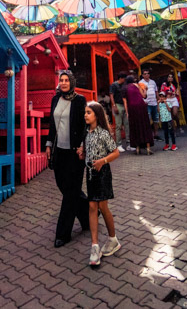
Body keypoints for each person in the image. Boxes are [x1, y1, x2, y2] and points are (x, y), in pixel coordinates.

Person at [46, 71, 89, 247]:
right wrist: (48, 144)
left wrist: (83, 145)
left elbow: (85, 125)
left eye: (66, 80)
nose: (63, 83)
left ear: (71, 82)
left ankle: (63, 234)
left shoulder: (79, 100)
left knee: (71, 192)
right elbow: (52, 124)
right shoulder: (55, 99)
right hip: (59, 151)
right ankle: (88, 214)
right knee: (63, 186)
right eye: (61, 80)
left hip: (75, 152)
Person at [82, 102, 121, 267]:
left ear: (96, 115)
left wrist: (102, 161)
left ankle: (113, 239)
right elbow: (88, 151)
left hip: (102, 173)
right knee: (92, 207)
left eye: (89, 112)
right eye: (85, 112)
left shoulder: (103, 133)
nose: (85, 115)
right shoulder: (87, 133)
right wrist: (82, 153)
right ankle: (95, 246)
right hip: (90, 173)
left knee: (103, 207)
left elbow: (115, 152)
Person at [123, 75, 154, 155]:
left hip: (132, 108)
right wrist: (146, 89)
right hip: (141, 107)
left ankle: (137, 148)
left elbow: (125, 102)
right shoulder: (137, 85)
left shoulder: (124, 88)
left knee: (135, 127)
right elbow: (143, 96)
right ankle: (148, 148)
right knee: (144, 126)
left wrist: (127, 113)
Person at [109, 72, 133, 153]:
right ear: (121, 78)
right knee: (118, 125)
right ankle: (118, 144)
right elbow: (111, 95)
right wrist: (114, 105)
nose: (125, 80)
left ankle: (129, 143)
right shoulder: (114, 85)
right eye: (124, 78)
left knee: (127, 124)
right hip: (118, 104)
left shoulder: (124, 85)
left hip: (125, 105)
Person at [139, 68, 161, 140]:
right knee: (147, 119)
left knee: (156, 119)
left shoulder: (153, 82)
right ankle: (149, 135)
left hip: (154, 102)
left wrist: (158, 100)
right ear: (142, 75)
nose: (147, 75)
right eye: (145, 74)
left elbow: (156, 91)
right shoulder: (140, 83)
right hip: (146, 103)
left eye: (148, 73)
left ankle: (156, 134)